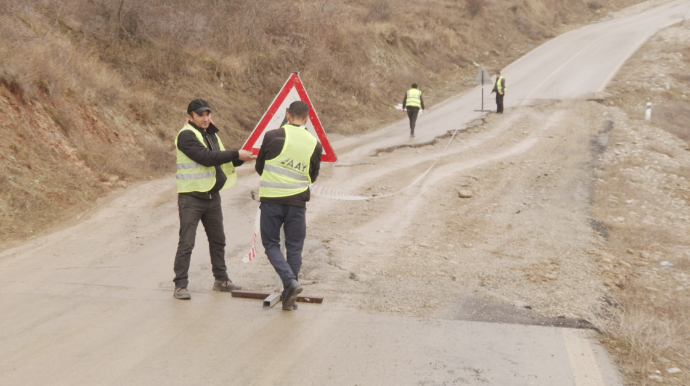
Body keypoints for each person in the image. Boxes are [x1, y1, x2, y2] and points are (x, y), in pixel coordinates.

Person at [172, 99, 255, 300]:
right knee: (187, 243)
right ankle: (180, 285)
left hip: (211, 196)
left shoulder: (210, 134)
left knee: (218, 240)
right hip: (191, 197)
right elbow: (206, 158)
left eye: (208, 114)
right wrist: (236, 153)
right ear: (190, 117)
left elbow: (219, 157)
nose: (206, 118)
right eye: (201, 115)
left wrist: (242, 157)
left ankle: (221, 279)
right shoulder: (186, 136)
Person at [255, 101, 322, 311]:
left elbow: (260, 167)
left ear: (287, 115)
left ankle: (290, 283)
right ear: (308, 118)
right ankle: (288, 299)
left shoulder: (272, 136)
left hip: (271, 200)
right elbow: (312, 175)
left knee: (271, 245)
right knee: (294, 248)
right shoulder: (314, 143)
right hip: (297, 203)